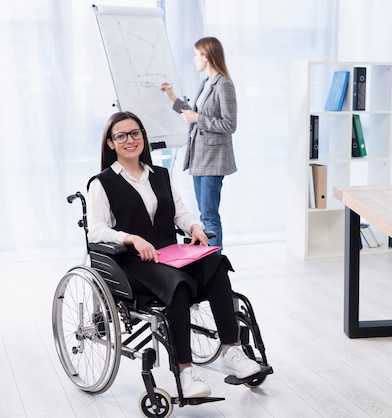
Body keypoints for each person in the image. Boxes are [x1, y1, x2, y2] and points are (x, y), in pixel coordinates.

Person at [86, 111, 260, 398]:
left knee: (215, 263)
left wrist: (194, 226)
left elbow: (180, 212)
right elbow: (96, 231)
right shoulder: (101, 183)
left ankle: (231, 350)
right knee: (176, 284)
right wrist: (130, 238)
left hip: (170, 254)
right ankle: (185, 370)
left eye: (135, 133)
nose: (130, 140)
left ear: (143, 137)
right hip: (132, 262)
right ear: (110, 143)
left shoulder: (161, 175)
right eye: (121, 136)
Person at [161, 36, 236, 249]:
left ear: (207, 56)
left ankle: (215, 264)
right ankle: (209, 258)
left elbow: (229, 125)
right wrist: (172, 96)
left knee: (209, 215)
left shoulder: (224, 85)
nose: (194, 59)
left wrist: (198, 119)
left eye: (196, 55)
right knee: (204, 213)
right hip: (199, 157)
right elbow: (194, 113)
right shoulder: (206, 83)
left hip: (214, 159)